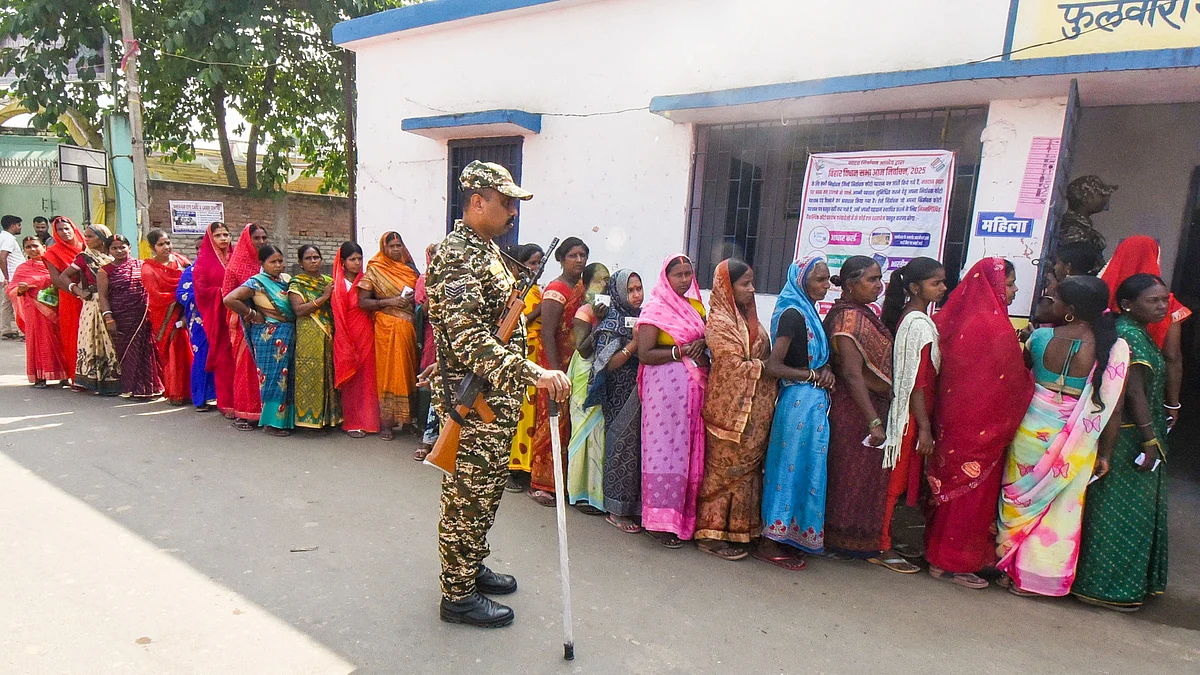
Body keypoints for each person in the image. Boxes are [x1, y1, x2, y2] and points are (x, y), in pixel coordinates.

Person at [425, 160, 569, 628]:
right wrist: (534, 372)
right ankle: (457, 594)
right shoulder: (457, 255)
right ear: (476, 201)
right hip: (476, 402)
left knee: (485, 494)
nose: (512, 212)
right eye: (505, 202)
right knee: (466, 497)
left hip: (495, 398)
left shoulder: (486, 250)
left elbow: (491, 325)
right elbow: (469, 339)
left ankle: (471, 566)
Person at [997, 275, 1128, 597]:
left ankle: (1007, 570)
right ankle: (1036, 580)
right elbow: (1113, 409)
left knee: (1018, 502)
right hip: (1079, 441)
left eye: (1054, 300)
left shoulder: (1039, 338)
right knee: (1062, 510)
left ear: (1069, 309)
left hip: (1030, 432)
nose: (1048, 303)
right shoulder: (1115, 345)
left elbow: (1019, 383)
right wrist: (1106, 454)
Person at [924, 258, 1033, 589]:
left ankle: (938, 555)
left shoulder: (958, 318)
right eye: (1011, 284)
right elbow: (1011, 381)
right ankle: (952, 562)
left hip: (954, 422)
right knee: (972, 496)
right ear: (996, 286)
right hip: (980, 427)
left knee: (953, 492)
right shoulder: (994, 327)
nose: (1014, 291)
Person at [1072, 274, 1171, 612]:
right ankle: (1106, 587)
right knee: (1118, 517)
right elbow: (1132, 392)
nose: (1162, 306)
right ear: (1127, 304)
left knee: (1128, 516)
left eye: (1164, 299)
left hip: (1136, 434)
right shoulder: (1129, 336)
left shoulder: (1137, 332)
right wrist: (1149, 439)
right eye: (1153, 300)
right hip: (1130, 436)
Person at [823, 256, 916, 572]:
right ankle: (846, 542)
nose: (879, 285)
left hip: (870, 406)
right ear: (850, 284)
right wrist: (873, 421)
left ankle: (856, 541)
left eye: (879, 279)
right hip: (855, 412)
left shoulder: (865, 314)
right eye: (872, 280)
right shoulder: (847, 321)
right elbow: (851, 374)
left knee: (866, 479)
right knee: (851, 478)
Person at [695, 259, 777, 560]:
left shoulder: (748, 318)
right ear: (727, 288)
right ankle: (710, 533)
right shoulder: (719, 322)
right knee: (723, 473)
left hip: (756, 410)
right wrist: (772, 368)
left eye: (753, 282)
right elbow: (731, 366)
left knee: (748, 474)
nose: (752, 289)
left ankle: (741, 530)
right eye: (745, 284)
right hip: (729, 410)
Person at [758, 256, 835, 570]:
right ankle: (769, 540)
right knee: (787, 471)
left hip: (813, 406)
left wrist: (824, 369)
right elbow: (772, 367)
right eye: (819, 280)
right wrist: (814, 376)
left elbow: (814, 357)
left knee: (809, 471)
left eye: (828, 280)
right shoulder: (792, 313)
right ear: (802, 280)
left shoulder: (809, 312)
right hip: (797, 404)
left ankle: (793, 536)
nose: (826, 286)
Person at [636, 254, 709, 548]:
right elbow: (645, 354)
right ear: (667, 278)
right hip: (663, 392)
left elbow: (704, 339)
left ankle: (683, 519)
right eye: (678, 275)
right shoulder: (656, 308)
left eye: (688, 274)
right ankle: (658, 521)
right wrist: (680, 353)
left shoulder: (696, 307)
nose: (684, 280)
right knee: (663, 451)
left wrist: (702, 344)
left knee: (688, 452)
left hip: (693, 389)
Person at [878, 257, 945, 563]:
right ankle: (882, 544)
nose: (943, 288)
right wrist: (925, 428)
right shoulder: (917, 325)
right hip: (909, 417)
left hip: (913, 415)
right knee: (895, 483)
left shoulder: (915, 318)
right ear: (916, 288)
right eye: (936, 283)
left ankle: (886, 538)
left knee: (901, 481)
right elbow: (917, 383)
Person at [1099, 235, 1190, 430]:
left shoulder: (1100, 296)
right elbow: (1173, 357)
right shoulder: (1169, 304)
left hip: (1102, 392)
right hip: (1147, 392)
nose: (1160, 305)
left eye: (1162, 301)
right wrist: (1172, 403)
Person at [528, 236, 588, 506]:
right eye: (573, 255)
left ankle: (566, 482)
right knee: (552, 419)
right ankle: (541, 483)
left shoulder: (585, 288)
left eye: (583, 255)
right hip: (555, 363)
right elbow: (549, 333)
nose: (579, 260)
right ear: (561, 259)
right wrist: (554, 372)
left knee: (572, 424)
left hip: (577, 364)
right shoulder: (556, 290)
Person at [588, 269, 644, 533]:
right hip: (620, 393)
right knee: (621, 447)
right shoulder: (611, 323)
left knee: (639, 449)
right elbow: (607, 365)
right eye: (630, 290)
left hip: (643, 390)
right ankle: (616, 509)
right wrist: (633, 345)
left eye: (639, 289)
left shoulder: (644, 318)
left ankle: (636, 507)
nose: (636, 295)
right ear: (619, 293)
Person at [224, 245, 296, 437]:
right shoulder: (256, 282)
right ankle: (271, 424)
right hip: (268, 337)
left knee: (286, 377)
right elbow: (229, 299)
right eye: (273, 262)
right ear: (262, 264)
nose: (278, 265)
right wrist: (252, 313)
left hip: (288, 334)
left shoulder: (287, 280)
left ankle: (285, 420)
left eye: (280, 261)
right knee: (273, 379)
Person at [358, 232, 420, 441]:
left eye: (399, 245)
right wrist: (389, 302)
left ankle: (408, 419)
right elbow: (363, 302)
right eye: (391, 246)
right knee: (388, 374)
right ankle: (387, 423)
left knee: (408, 372)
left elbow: (421, 295)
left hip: (408, 329)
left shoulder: (410, 270)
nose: (396, 249)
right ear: (384, 248)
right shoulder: (375, 269)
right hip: (385, 328)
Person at [566, 261, 611, 514]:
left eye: (607, 280)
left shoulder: (610, 309)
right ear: (586, 284)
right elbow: (582, 348)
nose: (604, 284)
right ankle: (579, 493)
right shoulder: (585, 311)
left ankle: (596, 494)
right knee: (583, 433)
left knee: (599, 435)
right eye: (599, 280)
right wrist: (600, 323)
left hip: (604, 375)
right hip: (585, 374)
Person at [98, 234, 162, 398]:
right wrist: (109, 318)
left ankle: (151, 387)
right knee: (127, 352)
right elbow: (103, 296)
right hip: (121, 316)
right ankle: (131, 387)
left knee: (147, 350)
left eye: (122, 247)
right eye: (114, 248)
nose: (119, 251)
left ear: (129, 248)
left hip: (143, 315)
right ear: (109, 250)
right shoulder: (105, 271)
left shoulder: (141, 265)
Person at [61, 225, 120, 395]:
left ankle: (116, 378)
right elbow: (63, 276)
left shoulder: (114, 255)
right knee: (94, 339)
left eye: (90, 236)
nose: (86, 239)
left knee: (113, 340)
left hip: (115, 301)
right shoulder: (84, 257)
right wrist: (78, 291)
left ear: (103, 238)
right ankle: (92, 379)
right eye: (85, 236)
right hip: (93, 303)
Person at [506, 243, 545, 491]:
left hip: (537, 356)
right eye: (532, 263)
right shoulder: (516, 290)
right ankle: (512, 468)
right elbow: (513, 322)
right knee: (521, 415)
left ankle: (528, 467)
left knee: (533, 416)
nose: (537, 268)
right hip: (523, 355)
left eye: (540, 262)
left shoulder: (538, 291)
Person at [222, 223, 270, 429]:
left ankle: (267, 412)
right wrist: (251, 314)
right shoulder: (235, 266)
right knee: (248, 368)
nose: (260, 242)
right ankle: (245, 412)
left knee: (269, 368)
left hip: (270, 323)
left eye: (263, 238)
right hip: (245, 325)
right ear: (246, 240)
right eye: (256, 238)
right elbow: (227, 297)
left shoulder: (268, 262)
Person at [289, 245, 340, 430]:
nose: (313, 261)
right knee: (312, 373)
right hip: (308, 332)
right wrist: (324, 297)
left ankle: (330, 419)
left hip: (329, 332)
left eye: (316, 257)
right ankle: (309, 419)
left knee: (329, 372)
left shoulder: (328, 280)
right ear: (301, 263)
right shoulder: (297, 283)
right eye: (308, 258)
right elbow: (299, 310)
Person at [332, 242, 380, 438]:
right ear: (343, 262)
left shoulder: (367, 281)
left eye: (359, 258)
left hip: (367, 333)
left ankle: (370, 421)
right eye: (352, 259)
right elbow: (338, 314)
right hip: (346, 332)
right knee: (352, 380)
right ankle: (353, 422)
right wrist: (345, 341)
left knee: (368, 378)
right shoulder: (337, 284)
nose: (357, 263)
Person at [5, 237, 67, 387]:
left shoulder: (52, 265)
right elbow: (11, 289)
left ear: (44, 247)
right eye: (28, 247)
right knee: (38, 341)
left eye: (35, 246)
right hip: (34, 310)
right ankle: (40, 376)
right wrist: (20, 289)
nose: (32, 249)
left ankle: (64, 374)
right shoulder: (23, 268)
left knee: (59, 340)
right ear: (24, 250)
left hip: (55, 308)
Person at [141, 229, 192, 406]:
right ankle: (176, 392)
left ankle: (191, 391)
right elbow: (155, 295)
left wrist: (187, 299)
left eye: (168, 242)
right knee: (173, 353)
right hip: (165, 314)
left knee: (188, 350)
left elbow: (192, 279)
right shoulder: (148, 269)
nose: (166, 247)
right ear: (152, 247)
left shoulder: (180, 261)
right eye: (161, 244)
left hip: (185, 311)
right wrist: (179, 297)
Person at [193, 222, 234, 416]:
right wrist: (223, 293)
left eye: (226, 234)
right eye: (218, 235)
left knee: (241, 360)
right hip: (218, 317)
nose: (223, 238)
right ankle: (226, 403)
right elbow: (200, 291)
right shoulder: (204, 263)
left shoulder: (236, 258)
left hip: (239, 315)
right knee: (224, 360)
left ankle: (245, 402)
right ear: (211, 238)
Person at [42, 216, 86, 382]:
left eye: (67, 228)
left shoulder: (86, 247)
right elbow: (56, 279)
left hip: (92, 296)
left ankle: (97, 376)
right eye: (60, 230)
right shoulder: (52, 253)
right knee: (73, 336)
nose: (65, 232)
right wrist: (76, 291)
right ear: (55, 233)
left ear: (74, 228)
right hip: (69, 298)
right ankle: (77, 377)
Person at [175, 262, 216, 411]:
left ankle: (222, 397)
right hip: (200, 320)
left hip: (222, 318)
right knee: (202, 356)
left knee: (223, 357)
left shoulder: (224, 267)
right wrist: (206, 295)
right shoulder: (191, 271)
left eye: (225, 235)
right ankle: (200, 398)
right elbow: (181, 294)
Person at [414, 242, 441, 460]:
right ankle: (428, 438)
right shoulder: (424, 280)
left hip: (459, 340)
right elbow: (423, 310)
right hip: (434, 336)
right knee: (433, 387)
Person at [1058, 175, 1116, 252]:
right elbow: (1073, 262)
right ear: (1086, 199)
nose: (1106, 199)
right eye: (1101, 195)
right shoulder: (1072, 230)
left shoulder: (1082, 227)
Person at [0, 215, 26, 340]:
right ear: (12, 226)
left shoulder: (2, 237)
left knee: (6, 304)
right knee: (19, 303)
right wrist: (8, 277)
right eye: (19, 225)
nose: (20, 228)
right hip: (14, 276)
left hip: (9, 276)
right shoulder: (9, 239)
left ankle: (6, 330)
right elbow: (2, 257)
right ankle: (23, 331)